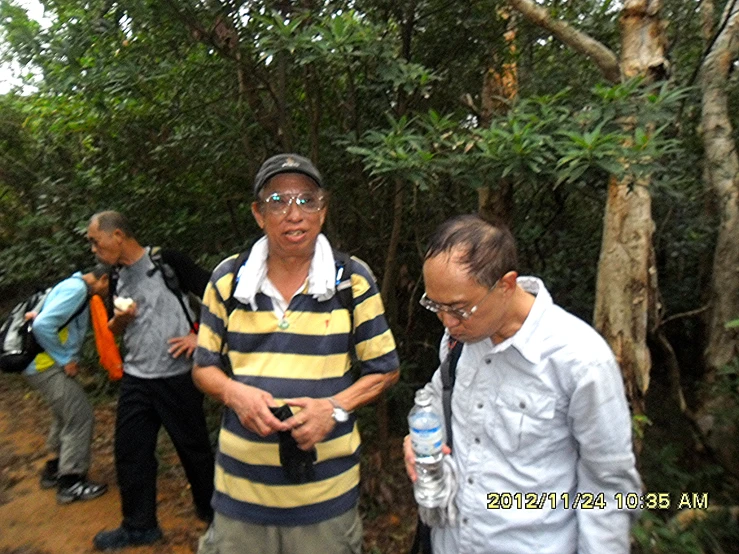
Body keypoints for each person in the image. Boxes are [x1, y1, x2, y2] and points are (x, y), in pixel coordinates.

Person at [193, 153, 400, 554]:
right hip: (241, 495)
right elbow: (204, 367)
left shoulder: (351, 280)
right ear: (258, 214)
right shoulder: (227, 279)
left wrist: (335, 408)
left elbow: (385, 369)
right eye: (278, 201)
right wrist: (235, 393)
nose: (294, 214)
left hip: (325, 497)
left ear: (323, 212)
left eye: (307, 201)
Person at [403, 214, 642, 554]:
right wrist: (419, 436)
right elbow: (436, 394)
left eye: (457, 308)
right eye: (435, 306)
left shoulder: (580, 360)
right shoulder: (459, 340)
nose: (446, 321)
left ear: (506, 284)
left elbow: (609, 486)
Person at [86, 211, 215, 551]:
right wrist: (120, 319)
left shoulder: (167, 261)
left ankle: (213, 511)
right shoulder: (116, 276)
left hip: (177, 377)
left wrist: (199, 335)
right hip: (136, 378)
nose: (94, 251)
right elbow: (114, 331)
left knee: (194, 450)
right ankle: (139, 526)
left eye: (95, 242)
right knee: (130, 452)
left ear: (117, 236)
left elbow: (218, 295)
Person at [23, 264, 111, 504]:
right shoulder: (77, 290)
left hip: (40, 363)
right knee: (80, 416)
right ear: (103, 279)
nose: (107, 293)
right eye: (109, 287)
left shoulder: (70, 284)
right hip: (45, 364)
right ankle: (71, 482)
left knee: (65, 414)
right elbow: (42, 326)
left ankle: (54, 469)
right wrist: (64, 359)